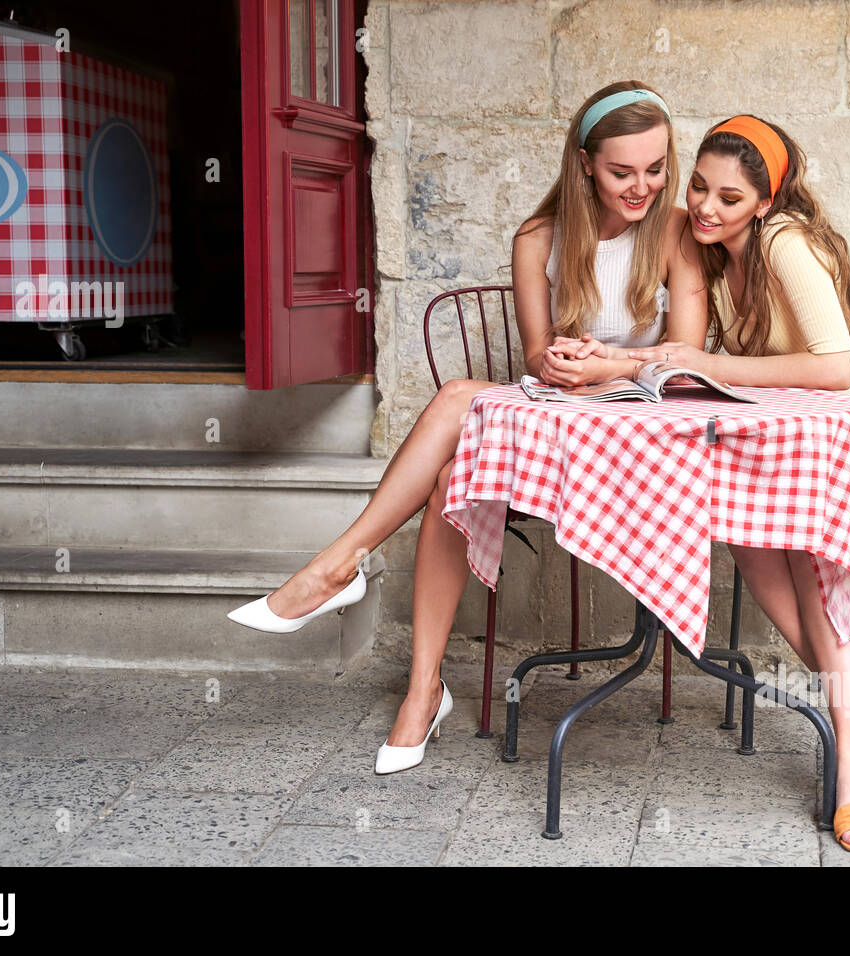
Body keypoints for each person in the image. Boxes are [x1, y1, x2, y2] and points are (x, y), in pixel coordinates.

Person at [227, 81, 708, 774]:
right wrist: (562, 361)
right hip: (562, 428)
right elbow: (538, 354)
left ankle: (338, 567)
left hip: (643, 435)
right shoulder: (538, 239)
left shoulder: (674, 234)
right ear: (583, 164)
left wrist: (610, 365)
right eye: (622, 171)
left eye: (656, 169)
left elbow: (685, 361)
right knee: (452, 481)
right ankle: (422, 688)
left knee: (456, 401)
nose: (643, 187)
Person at [616, 115, 850, 852]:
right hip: (796, 438)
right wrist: (612, 363)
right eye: (699, 186)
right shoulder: (712, 251)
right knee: (743, 527)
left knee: (811, 544)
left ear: (766, 203)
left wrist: (707, 365)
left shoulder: (783, 244)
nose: (706, 207)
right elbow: (681, 347)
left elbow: (836, 369)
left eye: (729, 197)